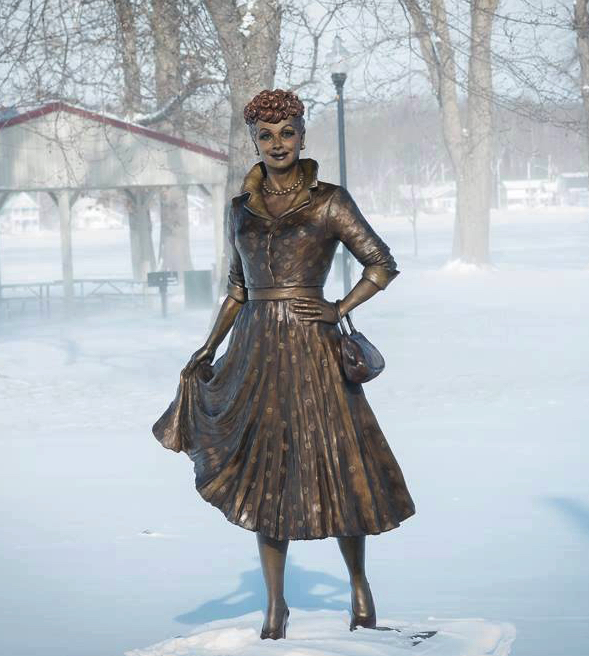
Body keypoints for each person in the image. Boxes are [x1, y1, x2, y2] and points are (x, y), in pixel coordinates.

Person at [153, 89, 415, 640]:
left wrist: (337, 307)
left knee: (338, 460)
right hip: (254, 350)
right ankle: (276, 604)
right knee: (263, 471)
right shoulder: (240, 209)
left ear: (301, 133)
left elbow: (381, 263)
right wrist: (208, 345)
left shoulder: (329, 201)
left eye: (287, 132)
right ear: (254, 140)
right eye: (266, 136)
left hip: (313, 348)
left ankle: (359, 585)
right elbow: (237, 288)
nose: (278, 143)